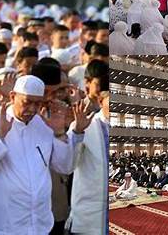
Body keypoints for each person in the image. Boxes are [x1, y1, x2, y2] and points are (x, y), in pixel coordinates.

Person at [0, 75, 88, 234]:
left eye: (37, 103)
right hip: (1, 225)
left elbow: (65, 167)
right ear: (13, 96)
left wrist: (59, 133)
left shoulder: (44, 125)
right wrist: (0, 136)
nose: (32, 109)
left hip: (39, 223)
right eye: (27, 102)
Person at [68, 75, 109, 234]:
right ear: (100, 101)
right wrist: (77, 132)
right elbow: (68, 165)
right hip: (89, 215)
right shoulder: (85, 125)